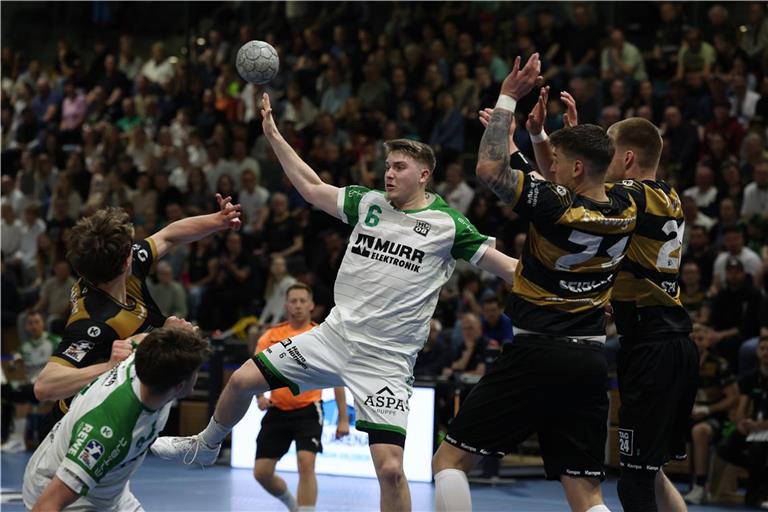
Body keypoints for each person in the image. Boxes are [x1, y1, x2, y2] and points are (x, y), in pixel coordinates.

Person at [152, 92, 519, 512]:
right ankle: (206, 444)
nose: (389, 175)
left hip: (387, 360)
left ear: (424, 174)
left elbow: (508, 268)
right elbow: (310, 187)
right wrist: (273, 134)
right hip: (334, 337)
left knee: (391, 471)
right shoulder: (369, 203)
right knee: (239, 381)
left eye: (399, 167)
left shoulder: (448, 225)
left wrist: (571, 282)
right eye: (387, 167)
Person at [433, 54, 636, 512]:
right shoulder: (626, 207)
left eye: (562, 162)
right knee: (586, 494)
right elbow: (560, 179)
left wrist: (509, 99)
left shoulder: (557, 206)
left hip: (537, 353)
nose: (555, 167)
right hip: (589, 360)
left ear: (576, 169)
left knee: (448, 460)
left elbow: (490, 173)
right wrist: (541, 139)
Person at [526, 90, 700, 512]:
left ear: (623, 161)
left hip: (652, 348)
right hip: (672, 341)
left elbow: (569, 189)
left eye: (609, 153)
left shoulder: (632, 196)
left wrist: (541, 138)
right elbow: (581, 183)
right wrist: (572, 139)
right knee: (651, 472)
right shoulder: (669, 195)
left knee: (633, 486)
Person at [33, 195, 240, 428]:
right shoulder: (93, 322)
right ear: (124, 263)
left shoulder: (117, 268)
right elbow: (44, 386)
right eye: (130, 249)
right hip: (75, 424)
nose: (135, 249)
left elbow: (169, 236)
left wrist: (219, 220)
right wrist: (110, 365)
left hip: (117, 415)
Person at [22, 324, 209, 512]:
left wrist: (172, 331)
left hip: (110, 488)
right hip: (69, 498)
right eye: (195, 371)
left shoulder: (145, 359)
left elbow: (140, 339)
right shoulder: (109, 433)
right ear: (178, 386)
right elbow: (45, 506)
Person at [252, 283, 349, 512]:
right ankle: (291, 504)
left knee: (306, 463)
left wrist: (343, 419)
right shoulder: (271, 336)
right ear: (286, 305)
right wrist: (260, 396)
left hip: (308, 410)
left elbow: (337, 379)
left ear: (311, 305)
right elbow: (254, 370)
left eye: (302, 301)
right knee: (262, 472)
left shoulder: (321, 336)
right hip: (277, 410)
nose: (297, 306)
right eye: (293, 301)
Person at [684, 323, 739, 505]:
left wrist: (707, 409)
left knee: (700, 431)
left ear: (708, 341)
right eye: (693, 339)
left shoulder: (719, 365)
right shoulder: (683, 362)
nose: (696, 342)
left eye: (701, 339)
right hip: (689, 414)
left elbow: (733, 398)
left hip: (716, 418)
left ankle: (700, 487)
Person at [716, 336, 768, 508]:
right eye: (762, 348)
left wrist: (760, 426)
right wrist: (741, 422)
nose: (766, 352)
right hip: (755, 428)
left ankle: (755, 495)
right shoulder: (751, 377)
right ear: (757, 352)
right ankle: (761, 474)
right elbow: (742, 405)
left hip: (764, 428)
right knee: (725, 448)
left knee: (757, 449)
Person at [0, 311, 60, 453]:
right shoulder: (24, 347)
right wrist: (15, 363)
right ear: (26, 326)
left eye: (36, 322)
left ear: (43, 324)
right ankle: (10, 437)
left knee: (23, 393)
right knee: (8, 391)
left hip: (51, 384)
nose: (33, 326)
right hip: (30, 385)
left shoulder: (54, 341)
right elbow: (16, 370)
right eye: (30, 323)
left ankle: (17, 440)